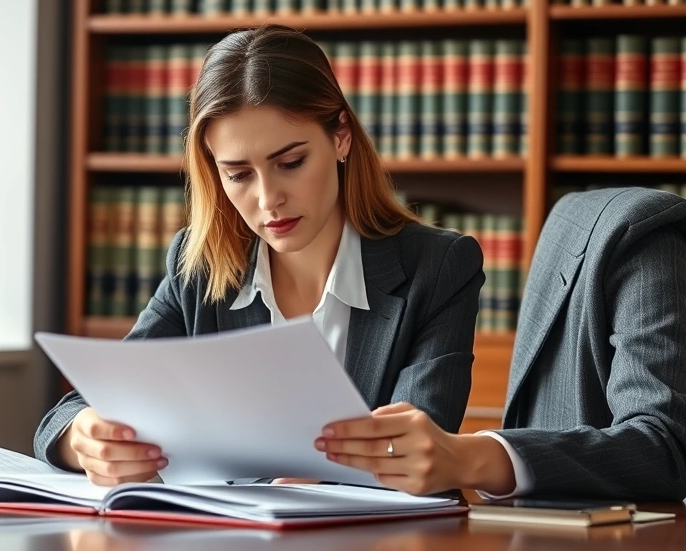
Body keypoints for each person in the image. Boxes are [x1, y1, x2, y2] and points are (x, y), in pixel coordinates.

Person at [33, 24, 486, 487]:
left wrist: (331, 482)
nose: (268, 200)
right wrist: (85, 438)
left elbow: (421, 445)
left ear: (341, 136)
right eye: (239, 175)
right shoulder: (200, 266)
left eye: (290, 164)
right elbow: (75, 410)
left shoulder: (439, 267)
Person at [318, 187, 686, 500]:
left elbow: (662, 451)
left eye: (291, 162)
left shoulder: (645, 232)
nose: (270, 200)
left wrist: (470, 457)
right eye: (250, 173)